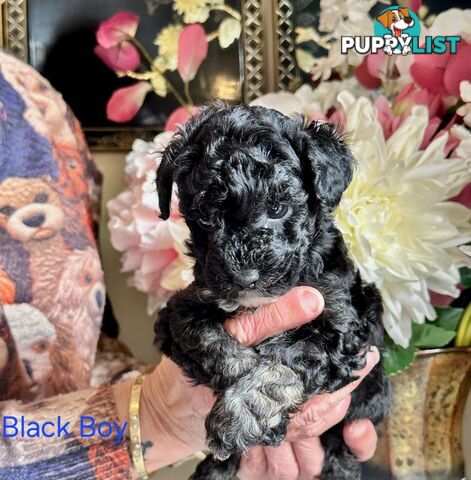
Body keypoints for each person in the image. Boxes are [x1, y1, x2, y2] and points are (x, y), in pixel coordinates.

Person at [0, 49, 379, 479]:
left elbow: (346, 344)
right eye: (210, 219)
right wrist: (177, 407)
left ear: (319, 195)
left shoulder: (38, 102)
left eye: (277, 210)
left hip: (322, 449)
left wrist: (268, 388)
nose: (245, 267)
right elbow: (180, 328)